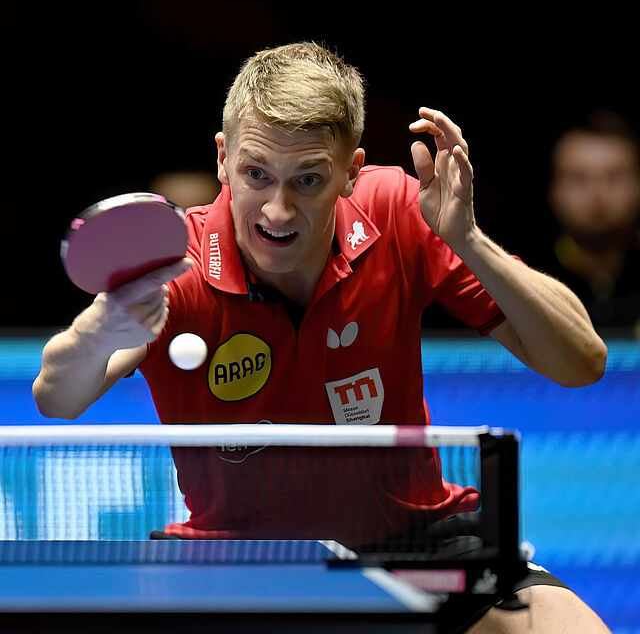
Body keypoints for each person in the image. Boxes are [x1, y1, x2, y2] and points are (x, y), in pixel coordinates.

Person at [33, 42, 609, 633]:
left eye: (307, 180)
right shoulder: (181, 265)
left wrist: (467, 239)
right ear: (224, 158)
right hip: (235, 564)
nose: (278, 210)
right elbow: (57, 397)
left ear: (351, 171)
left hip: (415, 545)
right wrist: (99, 330)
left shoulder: (400, 210)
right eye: (257, 175)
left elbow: (582, 362)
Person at [543, 110, 640, 335]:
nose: (598, 195)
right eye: (578, 179)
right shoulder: (523, 278)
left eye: (614, 178)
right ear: (553, 190)